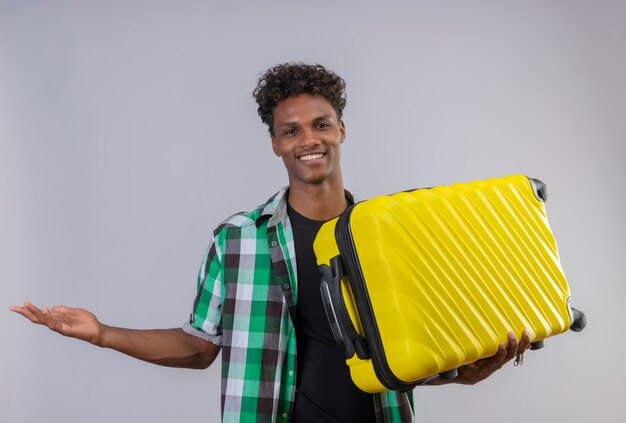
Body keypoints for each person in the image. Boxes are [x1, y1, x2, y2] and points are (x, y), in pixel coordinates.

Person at [10, 63, 530, 422]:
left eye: (321, 124)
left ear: (342, 130)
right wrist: (101, 333)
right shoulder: (237, 239)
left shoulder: (393, 235)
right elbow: (198, 347)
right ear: (275, 143)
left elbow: (407, 355)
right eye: (292, 130)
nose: (309, 140)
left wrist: (462, 373)